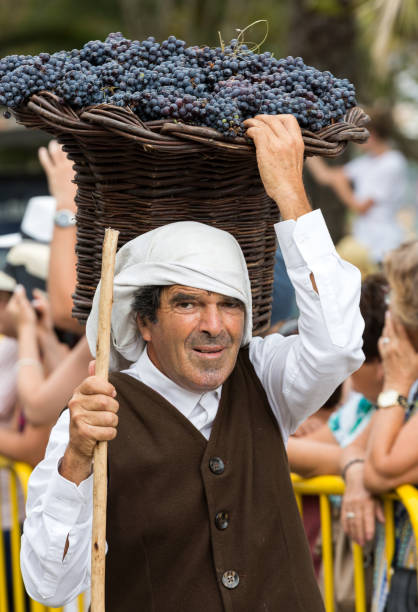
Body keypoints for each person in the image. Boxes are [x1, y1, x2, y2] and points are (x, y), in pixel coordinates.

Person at [20, 114, 365, 611]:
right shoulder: (92, 418)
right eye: (187, 303)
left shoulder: (265, 379)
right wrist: (75, 461)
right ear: (143, 321)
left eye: (229, 304)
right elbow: (48, 586)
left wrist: (291, 194)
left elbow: (338, 344)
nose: (214, 324)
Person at [363, 240, 418, 612]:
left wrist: (396, 384)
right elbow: (359, 447)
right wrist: (353, 470)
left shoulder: (404, 383)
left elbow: (380, 468)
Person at [306, 109, 408, 266]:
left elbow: (361, 207)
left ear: (371, 134)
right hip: (363, 245)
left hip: (383, 248)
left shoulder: (392, 163)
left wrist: (341, 185)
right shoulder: (366, 162)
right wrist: (306, 144)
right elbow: (324, 176)